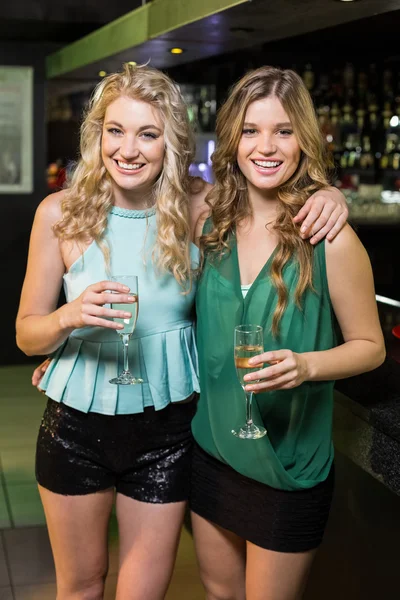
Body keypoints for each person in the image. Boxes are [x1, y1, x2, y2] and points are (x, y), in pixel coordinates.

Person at [22, 64, 348, 600]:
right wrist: (69, 319)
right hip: (73, 429)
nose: (129, 149)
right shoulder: (59, 214)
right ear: (97, 134)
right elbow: (27, 336)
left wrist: (331, 195)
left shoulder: (199, 208)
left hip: (169, 434)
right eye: (116, 131)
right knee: (80, 587)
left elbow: (269, 186)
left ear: (169, 142)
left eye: (148, 133)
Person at [190, 66, 385, 600]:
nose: (266, 146)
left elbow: (371, 348)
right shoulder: (208, 220)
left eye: (283, 130)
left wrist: (307, 365)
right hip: (213, 450)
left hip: (289, 467)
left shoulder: (329, 237)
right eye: (251, 130)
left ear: (305, 139)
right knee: (219, 594)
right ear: (232, 140)